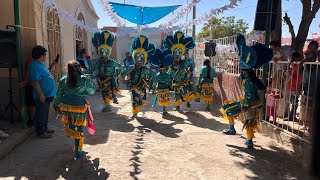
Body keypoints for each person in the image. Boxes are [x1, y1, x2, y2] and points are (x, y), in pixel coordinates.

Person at [54, 60, 96, 159]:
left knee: (70, 122)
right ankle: (78, 152)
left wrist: (56, 105)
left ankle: (71, 133)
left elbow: (59, 95)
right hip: (79, 107)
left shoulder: (63, 79)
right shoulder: (84, 79)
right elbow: (92, 91)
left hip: (66, 107)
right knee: (79, 128)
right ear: (79, 68)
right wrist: (87, 81)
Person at [28, 45, 57, 139]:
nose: (45, 56)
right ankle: (40, 132)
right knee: (41, 113)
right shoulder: (34, 65)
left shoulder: (40, 64)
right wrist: (41, 94)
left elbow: (47, 73)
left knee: (45, 113)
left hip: (47, 94)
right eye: (44, 55)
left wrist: (53, 65)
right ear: (40, 55)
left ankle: (44, 128)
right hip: (42, 95)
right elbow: (35, 81)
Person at [92, 30, 123, 112]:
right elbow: (93, 68)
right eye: (102, 52)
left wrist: (121, 72)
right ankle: (108, 104)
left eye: (106, 52)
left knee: (109, 91)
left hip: (111, 79)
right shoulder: (99, 61)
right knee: (104, 93)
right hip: (102, 80)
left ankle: (111, 101)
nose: (104, 55)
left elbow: (120, 66)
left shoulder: (112, 62)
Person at [163, 31, 196, 111]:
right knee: (177, 94)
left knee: (186, 93)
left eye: (179, 52)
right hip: (176, 83)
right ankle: (178, 105)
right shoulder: (170, 64)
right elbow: (168, 72)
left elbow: (192, 65)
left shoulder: (185, 62)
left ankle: (188, 102)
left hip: (184, 81)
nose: (177, 54)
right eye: (175, 52)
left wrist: (190, 71)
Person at [129, 35, 155, 116]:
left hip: (142, 87)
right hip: (134, 87)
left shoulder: (146, 70)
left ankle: (138, 107)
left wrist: (149, 81)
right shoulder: (131, 67)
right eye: (138, 62)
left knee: (141, 100)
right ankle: (134, 111)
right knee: (134, 100)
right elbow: (126, 75)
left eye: (140, 63)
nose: (139, 64)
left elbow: (151, 75)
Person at [299, 41, 319, 131]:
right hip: (306, 78)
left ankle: (311, 125)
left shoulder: (316, 54)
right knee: (304, 103)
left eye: (315, 47)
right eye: (311, 46)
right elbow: (304, 66)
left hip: (313, 80)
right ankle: (305, 123)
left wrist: (305, 61)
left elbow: (310, 62)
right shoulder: (306, 54)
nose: (312, 48)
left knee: (312, 105)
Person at [285, 52, 303, 121]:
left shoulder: (299, 65)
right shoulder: (293, 64)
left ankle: (292, 116)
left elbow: (300, 76)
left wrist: (300, 87)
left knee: (294, 101)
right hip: (292, 85)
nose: (291, 58)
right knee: (292, 101)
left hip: (297, 85)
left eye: (293, 57)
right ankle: (291, 115)